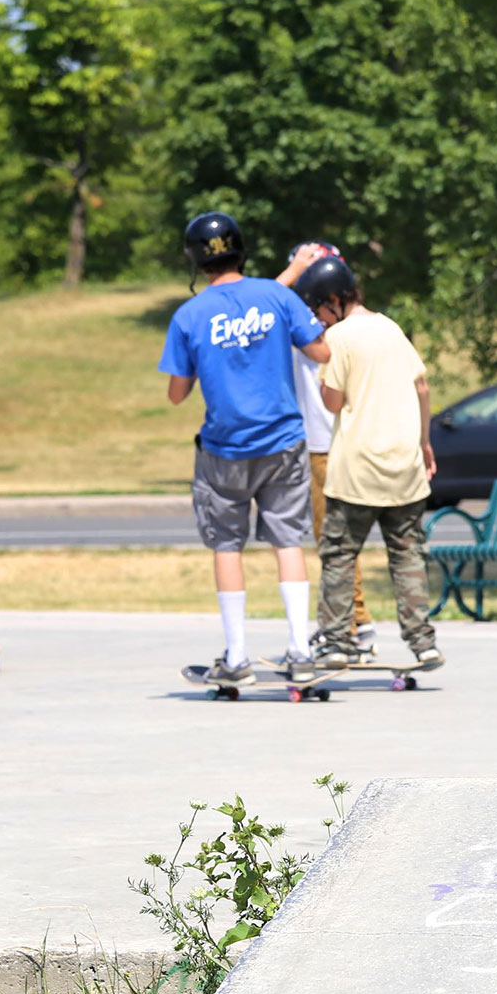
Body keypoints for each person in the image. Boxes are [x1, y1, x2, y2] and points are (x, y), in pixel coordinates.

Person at [160, 212, 331, 685]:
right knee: (288, 540)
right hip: (283, 442)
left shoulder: (188, 315)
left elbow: (176, 394)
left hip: (224, 450)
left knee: (226, 545)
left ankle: (237, 658)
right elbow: (321, 351)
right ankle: (301, 650)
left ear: (196, 261)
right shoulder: (277, 296)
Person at [292, 255, 442, 672]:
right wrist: (424, 443)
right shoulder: (391, 328)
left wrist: (328, 377)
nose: (319, 320)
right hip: (404, 463)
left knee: (339, 553)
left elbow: (332, 402)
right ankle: (423, 643)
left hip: (357, 467)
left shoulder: (339, 337)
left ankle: (337, 642)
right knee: (408, 554)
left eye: (319, 309)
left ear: (334, 300)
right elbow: (422, 387)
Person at [276, 240, 377, 659]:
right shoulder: (341, 322)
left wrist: (293, 271)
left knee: (332, 539)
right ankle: (354, 622)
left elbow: (263, 302)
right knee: (334, 539)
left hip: (327, 442)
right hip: (330, 439)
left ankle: (353, 625)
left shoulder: (316, 324)